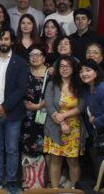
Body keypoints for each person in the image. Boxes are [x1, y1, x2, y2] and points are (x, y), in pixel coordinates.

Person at [0, 28, 29, 193]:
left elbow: (21, 89)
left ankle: (11, 181)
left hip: (13, 113)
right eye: (0, 39)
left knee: (12, 149)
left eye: (6, 39)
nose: (3, 42)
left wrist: (4, 107)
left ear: (12, 41)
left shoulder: (21, 62)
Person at [43, 56, 86, 190]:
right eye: (62, 66)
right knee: (55, 159)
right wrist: (62, 122)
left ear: (73, 68)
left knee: (73, 160)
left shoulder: (80, 84)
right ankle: (55, 190)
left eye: (68, 66)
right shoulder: (52, 84)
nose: (65, 69)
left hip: (74, 127)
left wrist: (65, 115)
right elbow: (49, 105)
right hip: (54, 125)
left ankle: (75, 189)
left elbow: (82, 106)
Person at [20, 44, 50, 160]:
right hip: (26, 116)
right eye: (32, 55)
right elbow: (16, 90)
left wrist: (38, 106)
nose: (35, 57)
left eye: (38, 55)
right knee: (26, 144)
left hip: (46, 115)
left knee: (46, 148)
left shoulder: (51, 73)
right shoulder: (23, 71)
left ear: (44, 58)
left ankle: (45, 177)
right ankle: (29, 177)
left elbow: (55, 95)